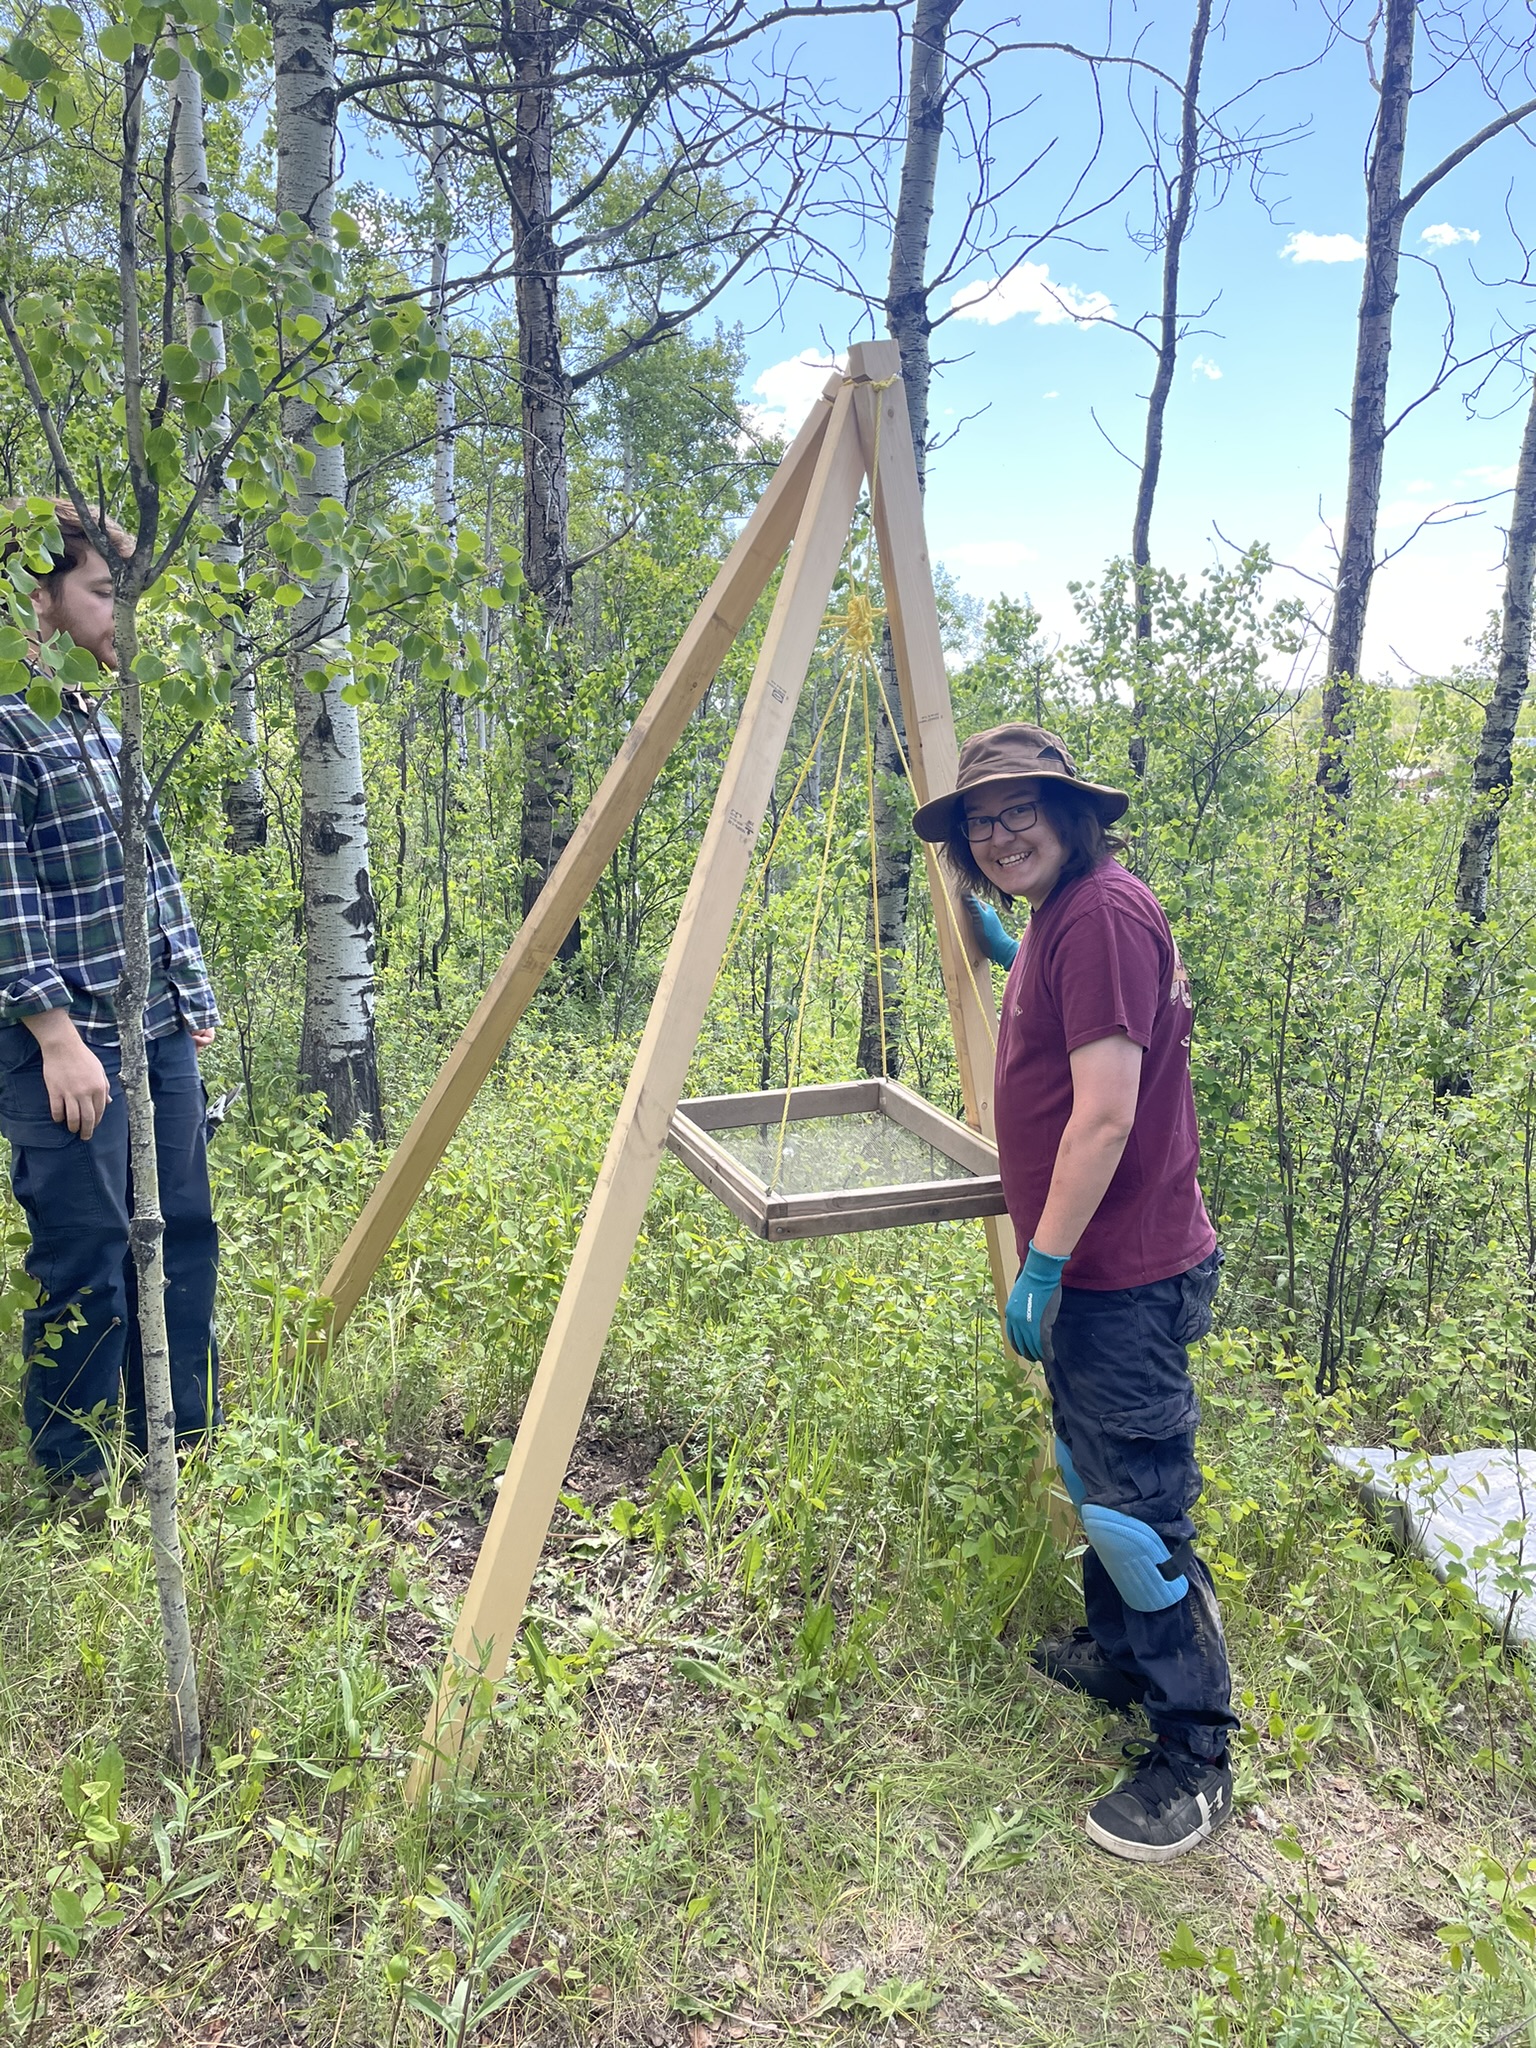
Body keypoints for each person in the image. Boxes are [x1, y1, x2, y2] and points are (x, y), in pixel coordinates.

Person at [913, 721, 1237, 1864]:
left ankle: (1194, 1755)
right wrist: (1016, 948)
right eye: (981, 822)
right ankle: (1122, 1655)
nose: (1001, 835)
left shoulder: (1098, 914)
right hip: (1108, 1266)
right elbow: (1087, 1014)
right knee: (1095, 1468)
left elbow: (1103, 1113)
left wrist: (1041, 1261)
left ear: (1070, 812)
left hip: (1122, 1271)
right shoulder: (1071, 913)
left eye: (1021, 811)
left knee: (1136, 1516)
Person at [0, 500, 221, 1515]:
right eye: (102, 589)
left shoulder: (96, 713)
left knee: (181, 1230)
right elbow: (8, 892)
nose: (123, 610)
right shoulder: (9, 722)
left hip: (156, 1025)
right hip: (68, 1040)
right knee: (86, 1256)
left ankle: (179, 1447)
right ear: (36, 599)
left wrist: (189, 994)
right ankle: (78, 1485)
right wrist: (55, 1035)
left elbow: (149, 869)